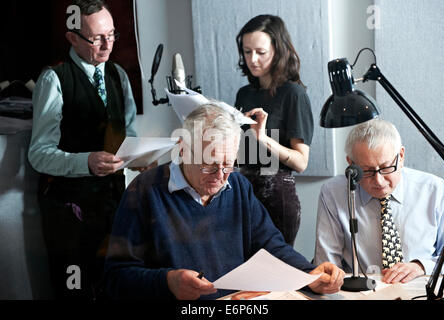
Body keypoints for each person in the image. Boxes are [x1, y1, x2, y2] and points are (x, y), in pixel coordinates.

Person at [104, 104, 344, 300]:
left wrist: (308, 274)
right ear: (183, 150)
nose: (221, 176)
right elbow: (116, 279)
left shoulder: (238, 186)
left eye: (229, 164)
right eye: (209, 165)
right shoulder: (145, 191)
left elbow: (271, 246)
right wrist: (168, 282)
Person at [28, 0, 151, 299]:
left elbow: (128, 135)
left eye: (112, 34)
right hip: (70, 214)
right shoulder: (53, 79)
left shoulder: (119, 75)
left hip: (113, 206)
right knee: (77, 290)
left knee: (117, 284)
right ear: (72, 37)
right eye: (97, 38)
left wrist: (137, 159)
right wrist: (86, 162)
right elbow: (38, 154)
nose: (108, 45)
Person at [314, 119, 444, 284]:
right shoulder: (333, 193)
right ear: (351, 164)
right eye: (367, 170)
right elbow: (326, 264)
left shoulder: (435, 190)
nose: (378, 180)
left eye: (386, 168)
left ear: (401, 156)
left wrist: (422, 266)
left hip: (421, 288)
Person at [234, 15, 314, 246]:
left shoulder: (294, 94)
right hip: (244, 193)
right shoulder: (244, 94)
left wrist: (263, 139)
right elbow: (241, 153)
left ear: (277, 51)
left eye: (260, 52)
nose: (253, 59)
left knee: (276, 272)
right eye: (247, 52)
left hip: (276, 196)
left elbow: (301, 162)